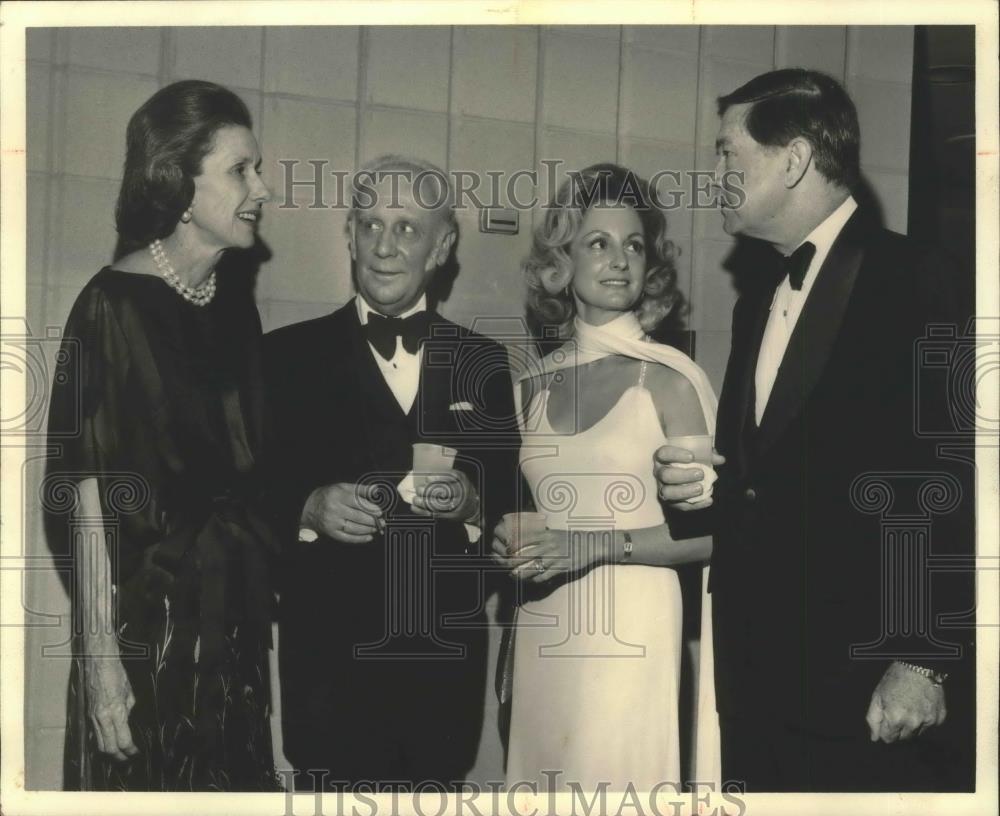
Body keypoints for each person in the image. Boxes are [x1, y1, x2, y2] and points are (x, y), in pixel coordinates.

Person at [655, 68, 975, 791]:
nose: (713, 178)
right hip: (753, 672)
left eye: (727, 155)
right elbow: (770, 470)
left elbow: (952, 478)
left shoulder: (919, 276)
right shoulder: (756, 299)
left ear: (794, 158)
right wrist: (713, 481)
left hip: (865, 678)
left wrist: (922, 658)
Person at [44, 79, 280, 791]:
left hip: (230, 624)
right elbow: (84, 492)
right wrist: (99, 657)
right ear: (177, 180)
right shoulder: (109, 304)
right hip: (146, 634)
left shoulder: (235, 308)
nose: (262, 189)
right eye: (241, 169)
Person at [264, 156, 520, 789]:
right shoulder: (283, 357)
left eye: (408, 227)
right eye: (371, 224)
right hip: (327, 679)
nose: (385, 245)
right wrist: (305, 505)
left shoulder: (483, 363)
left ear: (442, 247)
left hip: (441, 682)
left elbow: (512, 501)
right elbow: (238, 494)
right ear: (349, 234)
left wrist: (469, 503)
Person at [491, 164, 721, 792]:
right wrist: (501, 540)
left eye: (634, 244)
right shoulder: (529, 386)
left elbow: (713, 536)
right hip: (542, 626)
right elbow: (527, 515)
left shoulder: (670, 379)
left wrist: (590, 544)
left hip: (633, 630)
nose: (620, 260)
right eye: (599, 242)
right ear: (562, 259)